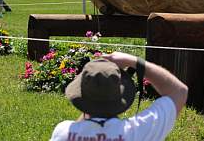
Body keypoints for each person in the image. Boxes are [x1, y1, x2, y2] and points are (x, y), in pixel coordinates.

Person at [50, 51, 188, 141]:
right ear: (121, 96)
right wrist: (134, 61)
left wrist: (91, 98)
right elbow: (179, 91)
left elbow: (83, 122)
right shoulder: (137, 132)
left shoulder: (63, 133)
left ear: (81, 97)